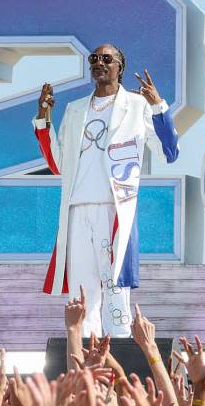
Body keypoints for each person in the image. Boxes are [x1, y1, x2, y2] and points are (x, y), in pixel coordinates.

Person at [32, 44, 179, 338]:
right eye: (94, 59)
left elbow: (169, 152)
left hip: (113, 207)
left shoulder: (137, 106)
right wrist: (44, 118)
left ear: (119, 67)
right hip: (76, 208)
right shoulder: (75, 110)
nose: (99, 63)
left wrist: (158, 107)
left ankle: (120, 350)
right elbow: (57, 163)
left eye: (106, 59)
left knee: (114, 288)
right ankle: (84, 357)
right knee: (81, 290)